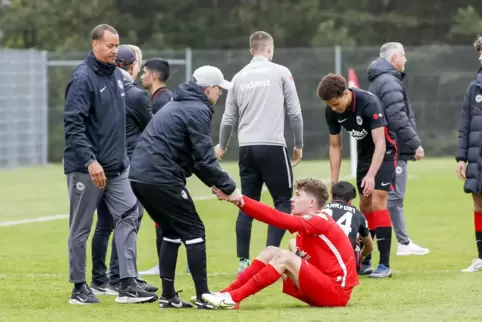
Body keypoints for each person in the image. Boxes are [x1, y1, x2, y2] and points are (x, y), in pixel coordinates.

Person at [129, 65, 240, 309]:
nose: (220, 94)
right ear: (209, 89)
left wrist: (216, 184)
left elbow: (195, 159)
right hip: (161, 177)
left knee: (171, 231)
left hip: (139, 176)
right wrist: (230, 188)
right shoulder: (198, 108)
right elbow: (203, 157)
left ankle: (168, 296)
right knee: (194, 230)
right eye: (219, 90)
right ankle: (203, 296)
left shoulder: (178, 104)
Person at [63, 24, 157, 305]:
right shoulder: (82, 78)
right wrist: (90, 161)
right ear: (95, 45)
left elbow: (118, 126)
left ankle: (126, 283)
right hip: (86, 168)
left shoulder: (118, 76)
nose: (115, 50)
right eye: (109, 46)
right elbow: (73, 124)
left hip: (117, 168)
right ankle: (79, 288)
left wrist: (123, 160)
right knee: (81, 227)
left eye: (117, 46)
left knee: (129, 215)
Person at [214, 31, 304, 275]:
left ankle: (243, 262)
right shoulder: (280, 72)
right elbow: (294, 113)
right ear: (269, 49)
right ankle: (269, 258)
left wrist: (222, 146)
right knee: (282, 203)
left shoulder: (239, 77)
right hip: (273, 146)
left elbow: (228, 119)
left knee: (246, 204)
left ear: (251, 50)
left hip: (247, 149)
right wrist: (298, 144)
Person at [203, 178, 359, 309]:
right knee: (271, 250)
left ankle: (233, 299)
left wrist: (240, 200)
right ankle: (226, 294)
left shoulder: (319, 220)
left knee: (284, 257)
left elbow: (275, 217)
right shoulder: (309, 221)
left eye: (298, 195)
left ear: (311, 202)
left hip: (336, 293)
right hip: (322, 287)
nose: (292, 199)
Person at [90, 45, 156, 296]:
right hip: (128, 166)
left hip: (103, 162)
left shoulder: (104, 89)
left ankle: (100, 279)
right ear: (133, 65)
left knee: (105, 223)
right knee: (128, 220)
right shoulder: (135, 95)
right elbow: (151, 129)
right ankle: (121, 278)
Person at [318, 73, 396, 278]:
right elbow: (335, 146)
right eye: (330, 106)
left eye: (336, 104)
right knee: (365, 205)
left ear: (345, 94)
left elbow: (380, 143)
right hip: (364, 156)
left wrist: (371, 175)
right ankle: (365, 259)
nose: (334, 109)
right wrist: (334, 183)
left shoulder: (369, 103)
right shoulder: (331, 110)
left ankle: (385, 265)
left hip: (385, 153)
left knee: (379, 200)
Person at [367, 42, 429, 256]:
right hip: (393, 147)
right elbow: (397, 116)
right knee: (393, 197)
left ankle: (375, 244)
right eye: (403, 55)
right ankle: (401, 243)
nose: (405, 59)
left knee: (386, 196)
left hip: (386, 145)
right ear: (394, 58)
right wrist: (415, 143)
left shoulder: (380, 80)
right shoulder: (389, 81)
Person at [138, 57, 174, 277]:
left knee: (166, 218)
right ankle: (165, 263)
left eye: (144, 72)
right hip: (165, 168)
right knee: (163, 218)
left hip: (163, 169)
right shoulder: (164, 98)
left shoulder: (161, 102)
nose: (141, 76)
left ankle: (164, 264)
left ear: (153, 76)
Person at [456, 36, 482, 272]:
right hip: (476, 156)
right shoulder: (474, 87)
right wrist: (461, 158)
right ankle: (481, 256)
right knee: (478, 203)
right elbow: (465, 125)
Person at [322, 181, 374, 272]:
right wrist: (361, 258)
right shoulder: (358, 215)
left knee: (293, 242)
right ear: (350, 201)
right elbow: (369, 246)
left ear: (332, 196)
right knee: (356, 238)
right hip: (348, 266)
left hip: (321, 261)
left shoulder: (321, 210)